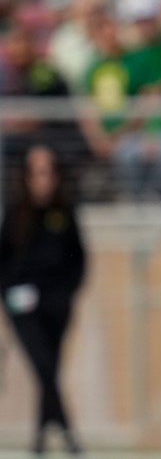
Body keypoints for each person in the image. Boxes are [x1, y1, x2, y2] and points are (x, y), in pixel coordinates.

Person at [0, 145, 85, 456]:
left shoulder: (64, 212)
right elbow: (4, 262)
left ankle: (39, 439)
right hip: (25, 310)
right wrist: (10, 295)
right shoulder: (15, 213)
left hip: (56, 307)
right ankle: (68, 432)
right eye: (35, 172)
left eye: (47, 171)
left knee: (48, 372)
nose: (42, 179)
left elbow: (79, 262)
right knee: (45, 369)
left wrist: (64, 295)